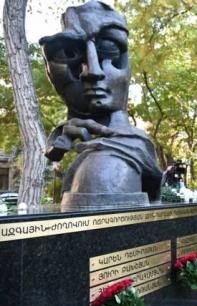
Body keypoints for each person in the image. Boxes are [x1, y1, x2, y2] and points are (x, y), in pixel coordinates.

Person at [39, 1, 162, 208]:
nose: (92, 71)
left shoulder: (110, 162)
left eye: (109, 49)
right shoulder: (109, 152)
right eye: (68, 54)